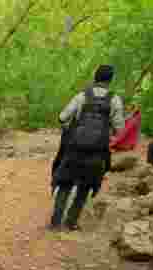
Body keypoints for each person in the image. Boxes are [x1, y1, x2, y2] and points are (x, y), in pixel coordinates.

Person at [50, 64, 125, 231]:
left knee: (65, 184)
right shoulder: (115, 100)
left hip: (75, 149)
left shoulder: (82, 95)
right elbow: (120, 129)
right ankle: (71, 222)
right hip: (97, 153)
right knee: (85, 187)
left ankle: (55, 222)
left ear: (95, 77)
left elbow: (62, 117)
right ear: (110, 80)